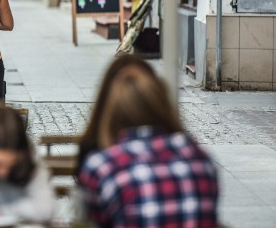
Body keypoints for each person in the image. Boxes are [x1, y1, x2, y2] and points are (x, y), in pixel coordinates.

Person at [76, 55, 219, 228]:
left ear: (111, 106)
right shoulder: (200, 160)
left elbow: (88, 220)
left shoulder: (104, 166)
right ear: (160, 102)